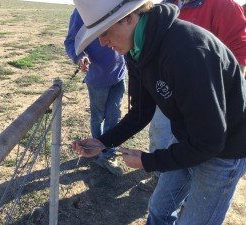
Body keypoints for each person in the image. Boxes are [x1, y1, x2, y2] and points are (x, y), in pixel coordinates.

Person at [71, 0, 246, 224]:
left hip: (225, 149)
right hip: (188, 137)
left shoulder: (188, 52)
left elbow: (210, 142)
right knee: (159, 208)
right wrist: (102, 142)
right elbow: (141, 112)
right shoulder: (136, 49)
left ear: (129, 17)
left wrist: (148, 161)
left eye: (104, 32)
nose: (103, 43)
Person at [138, 0, 246, 192]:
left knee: (203, 146)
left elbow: (238, 57)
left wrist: (217, 97)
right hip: (169, 94)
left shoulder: (225, 6)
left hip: (207, 106)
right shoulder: (163, 5)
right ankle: (162, 176)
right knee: (161, 135)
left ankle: (191, 191)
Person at [64, 9, 127, 176]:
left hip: (119, 75)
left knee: (114, 115)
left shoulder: (119, 5)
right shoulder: (82, 10)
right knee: (97, 116)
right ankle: (95, 148)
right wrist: (79, 58)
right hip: (97, 79)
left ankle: (108, 153)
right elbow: (71, 42)